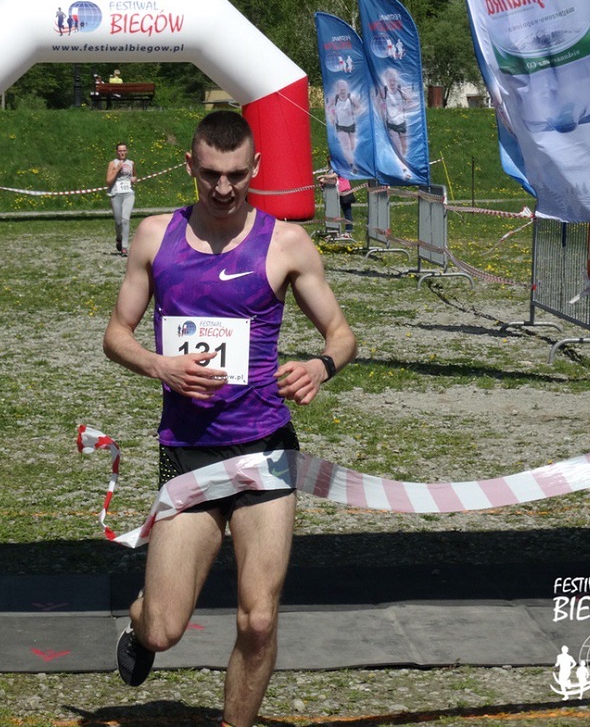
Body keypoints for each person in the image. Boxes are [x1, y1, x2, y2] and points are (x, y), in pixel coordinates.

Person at [103, 111, 357, 727]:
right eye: (211, 174)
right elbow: (116, 334)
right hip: (189, 453)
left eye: (238, 175)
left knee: (259, 617)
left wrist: (320, 366)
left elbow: (342, 334)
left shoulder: (287, 243)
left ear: (256, 168)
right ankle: (140, 622)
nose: (224, 188)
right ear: (190, 166)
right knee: (164, 628)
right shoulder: (154, 238)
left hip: (265, 450)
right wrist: (159, 366)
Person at [106, 142, 136, 256]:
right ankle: (119, 237)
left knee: (125, 220)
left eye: (124, 150)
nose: (122, 153)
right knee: (118, 222)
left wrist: (134, 179)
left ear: (127, 151)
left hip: (129, 194)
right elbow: (108, 181)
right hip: (116, 194)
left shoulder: (131, 163)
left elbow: (134, 175)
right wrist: (116, 170)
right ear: (117, 152)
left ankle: (124, 247)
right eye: (120, 151)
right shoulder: (112, 163)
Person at [328, 79, 362, 176]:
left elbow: (359, 108)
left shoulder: (351, 97)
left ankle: (351, 160)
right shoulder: (334, 98)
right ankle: (353, 166)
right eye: (341, 89)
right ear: (337, 90)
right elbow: (328, 107)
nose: (343, 91)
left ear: (347, 89)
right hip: (340, 126)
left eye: (344, 89)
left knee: (352, 146)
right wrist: (331, 116)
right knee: (346, 146)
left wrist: (353, 112)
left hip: (351, 125)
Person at [317, 163, 354, 238]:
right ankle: (334, 231)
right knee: (334, 212)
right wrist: (323, 182)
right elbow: (333, 180)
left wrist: (323, 176)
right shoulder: (332, 170)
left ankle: (348, 231)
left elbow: (334, 176)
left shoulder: (340, 167)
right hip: (336, 193)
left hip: (345, 192)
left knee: (347, 212)